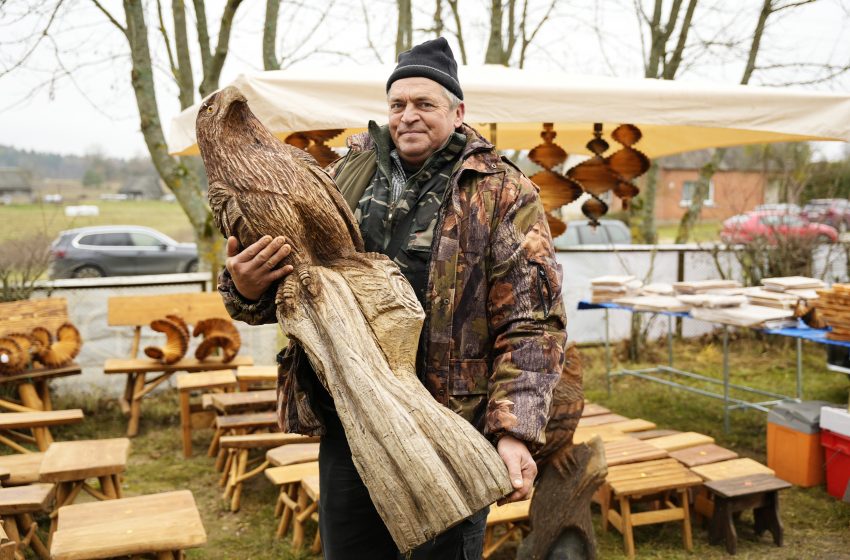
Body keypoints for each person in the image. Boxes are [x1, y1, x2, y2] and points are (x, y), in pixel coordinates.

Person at [218, 37, 569, 560]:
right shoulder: (341, 179)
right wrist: (245, 288)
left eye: (425, 104)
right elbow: (296, 288)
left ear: (458, 111)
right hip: (352, 422)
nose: (408, 115)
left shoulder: (502, 193)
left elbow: (533, 322)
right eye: (398, 104)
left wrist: (513, 430)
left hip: (449, 427)